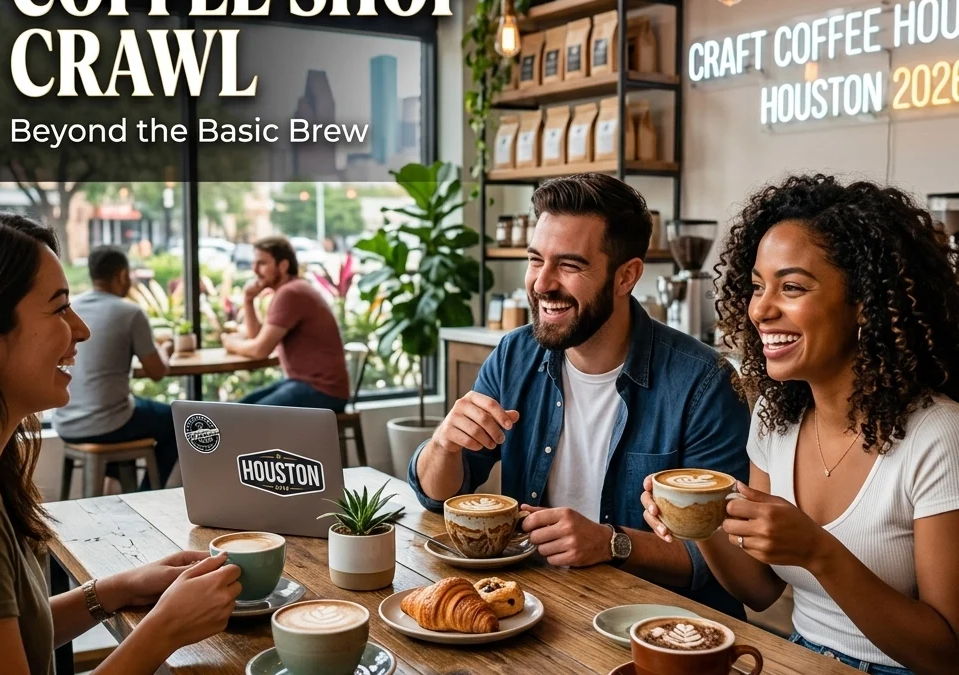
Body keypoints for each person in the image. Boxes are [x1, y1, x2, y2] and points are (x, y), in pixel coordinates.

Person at [641, 175, 959, 675]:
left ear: (865, 303)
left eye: (791, 287)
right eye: (756, 287)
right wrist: (696, 519)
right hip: (799, 659)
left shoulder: (939, 434)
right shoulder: (774, 417)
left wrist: (819, 552)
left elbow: (947, 653)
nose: (761, 310)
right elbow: (760, 589)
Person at [410, 173, 751, 617]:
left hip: (662, 629)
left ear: (625, 276)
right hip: (539, 610)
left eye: (569, 266)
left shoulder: (704, 383)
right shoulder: (515, 355)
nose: (542, 284)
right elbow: (439, 495)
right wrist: (444, 444)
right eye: (536, 260)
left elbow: (720, 563)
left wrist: (611, 543)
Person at [0, 207, 241, 675]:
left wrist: (115, 590)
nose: (81, 329)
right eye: (59, 308)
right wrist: (164, 630)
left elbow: (11, 636)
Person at [53, 246, 179, 491]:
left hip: (66, 423)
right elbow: (157, 372)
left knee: (130, 408)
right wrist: (167, 349)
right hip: (108, 423)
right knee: (177, 420)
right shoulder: (130, 312)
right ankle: (146, 495)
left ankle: (123, 488)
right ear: (122, 275)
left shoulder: (73, 309)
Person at [222, 236, 350, 412]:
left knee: (243, 417)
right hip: (307, 384)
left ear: (283, 266)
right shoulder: (292, 289)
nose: (255, 270)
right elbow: (257, 337)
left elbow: (260, 350)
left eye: (262, 264)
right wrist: (248, 299)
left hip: (323, 391)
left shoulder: (290, 293)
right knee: (235, 411)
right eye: (254, 263)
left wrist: (232, 344)